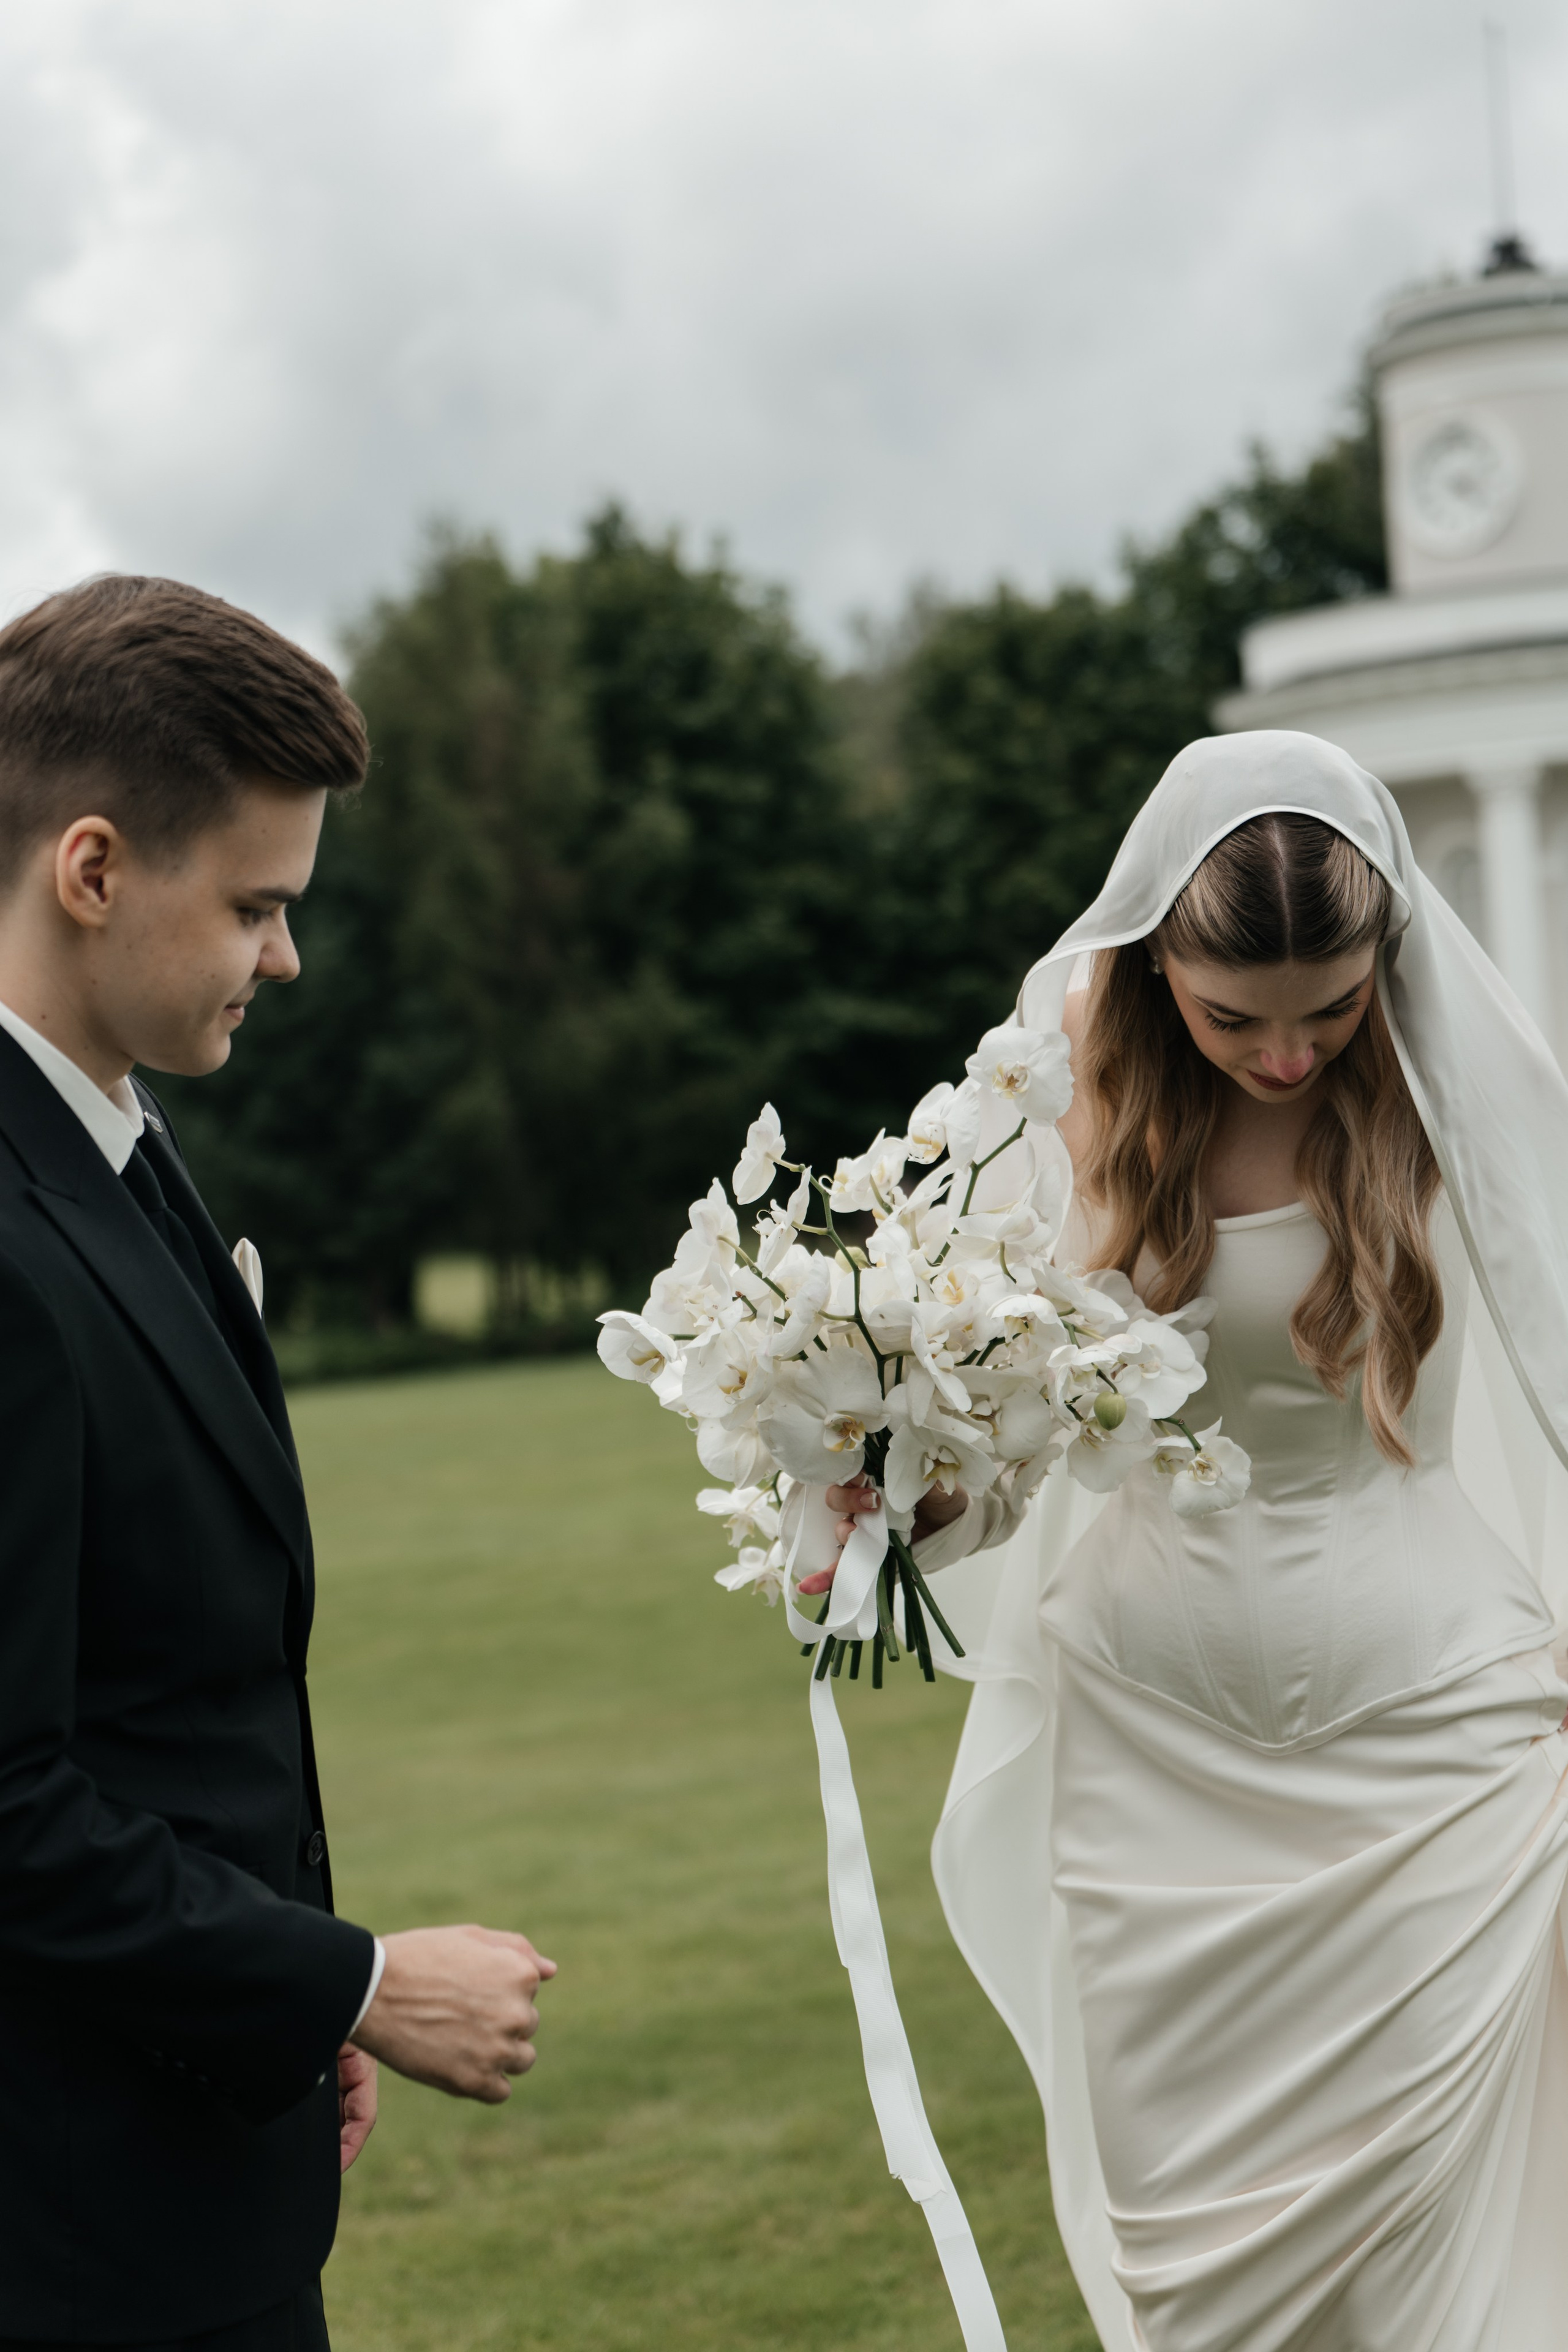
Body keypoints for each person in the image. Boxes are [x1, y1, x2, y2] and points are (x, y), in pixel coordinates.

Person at [825, 729, 1568, 2348]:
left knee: (1436, 2255)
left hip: (1438, 1746)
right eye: (1238, 1017)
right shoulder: (1064, 1108)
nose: (1289, 1058)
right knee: (1196, 2269)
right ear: (1158, 961)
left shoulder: (1455, 1105)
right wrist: (891, 1502)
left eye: (1333, 1010)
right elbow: (1008, 1437)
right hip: (1155, 1765)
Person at [0, 576, 556, 2352]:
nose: (286, 956)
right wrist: (364, 1982)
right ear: (92, 870)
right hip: (58, 2230)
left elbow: (162, 1703)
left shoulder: (121, 1150)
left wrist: (276, 2013)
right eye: (254, 905)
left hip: (187, 2148)